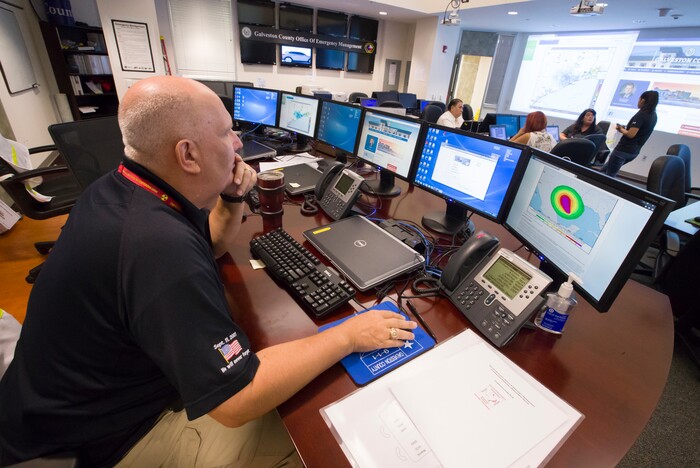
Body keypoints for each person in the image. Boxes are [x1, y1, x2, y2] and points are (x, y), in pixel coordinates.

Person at [0, 76, 417, 466]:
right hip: (102, 445)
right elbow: (237, 400)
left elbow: (212, 245)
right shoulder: (157, 247)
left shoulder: (125, 188)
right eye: (225, 132)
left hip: (55, 407)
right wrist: (347, 335)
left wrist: (233, 197)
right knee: (313, 429)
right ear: (187, 154)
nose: (238, 142)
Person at [602, 90, 659, 178]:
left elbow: (631, 134)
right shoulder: (654, 116)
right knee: (603, 171)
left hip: (622, 151)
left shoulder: (641, 115)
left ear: (643, 100)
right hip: (634, 152)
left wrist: (621, 129)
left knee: (608, 176)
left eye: (639, 99)